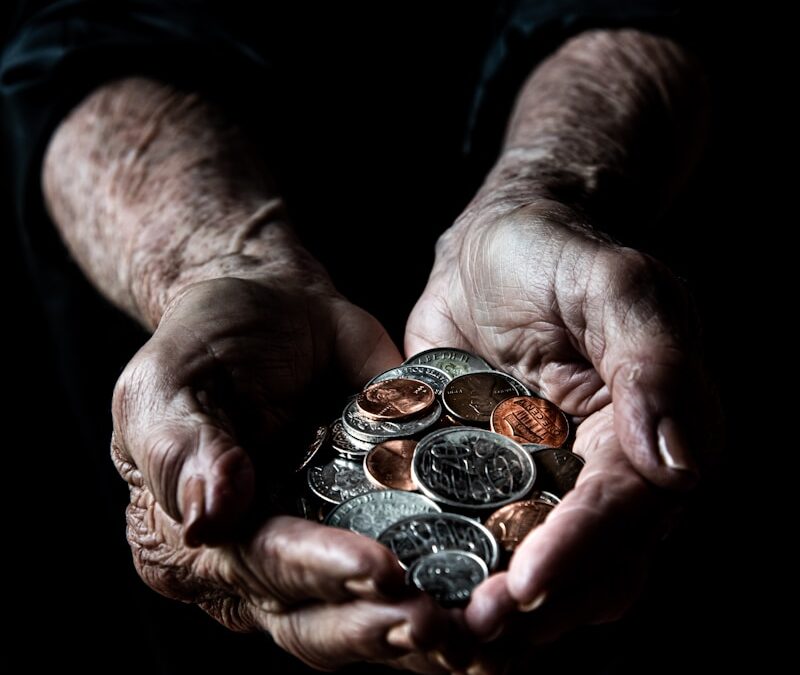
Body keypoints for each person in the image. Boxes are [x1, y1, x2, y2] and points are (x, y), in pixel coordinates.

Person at [1, 1, 721, 672]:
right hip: (235, 367)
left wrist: (547, 189)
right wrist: (217, 260)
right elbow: (65, 40)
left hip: (579, 315)